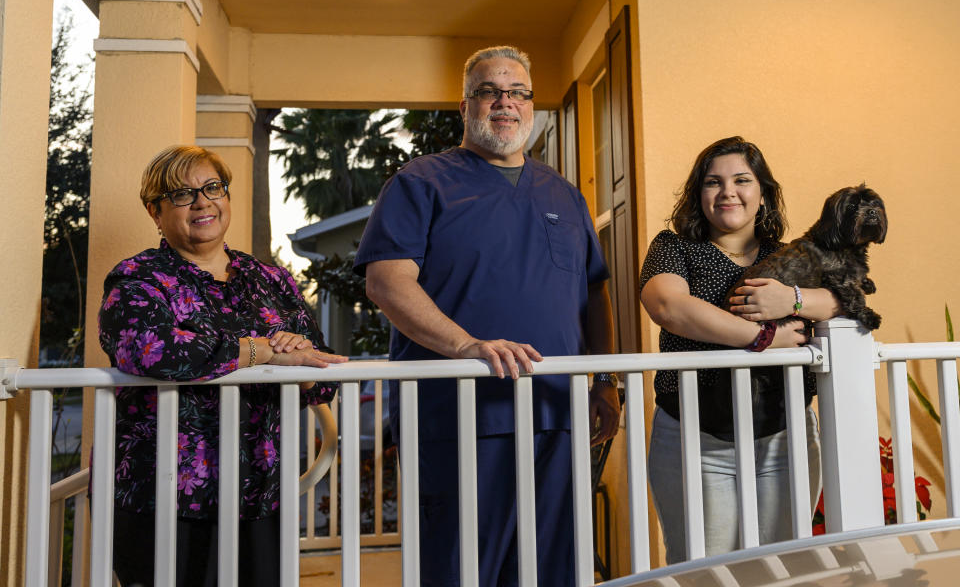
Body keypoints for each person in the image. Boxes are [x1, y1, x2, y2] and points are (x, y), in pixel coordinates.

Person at [354, 46, 620, 586]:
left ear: (531, 105)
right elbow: (387, 281)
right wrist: (466, 346)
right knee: (463, 568)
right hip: (458, 413)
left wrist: (607, 382)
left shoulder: (565, 197)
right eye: (488, 91)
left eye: (518, 92)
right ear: (464, 105)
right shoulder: (421, 183)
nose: (505, 102)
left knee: (555, 569)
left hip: (555, 412)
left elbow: (594, 292)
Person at [98, 145, 347, 586]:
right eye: (181, 194)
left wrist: (298, 357)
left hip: (259, 493)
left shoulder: (272, 281)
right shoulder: (137, 278)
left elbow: (321, 375)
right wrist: (263, 351)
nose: (202, 202)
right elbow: (152, 350)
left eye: (213, 187)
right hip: (163, 496)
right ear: (155, 212)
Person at [639, 136, 841, 563]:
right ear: (699, 195)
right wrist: (763, 338)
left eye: (742, 180)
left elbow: (847, 298)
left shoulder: (790, 256)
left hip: (784, 437)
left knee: (785, 567)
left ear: (763, 193)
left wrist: (793, 301)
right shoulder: (674, 247)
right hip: (695, 437)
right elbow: (667, 305)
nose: (728, 191)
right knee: (706, 571)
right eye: (713, 182)